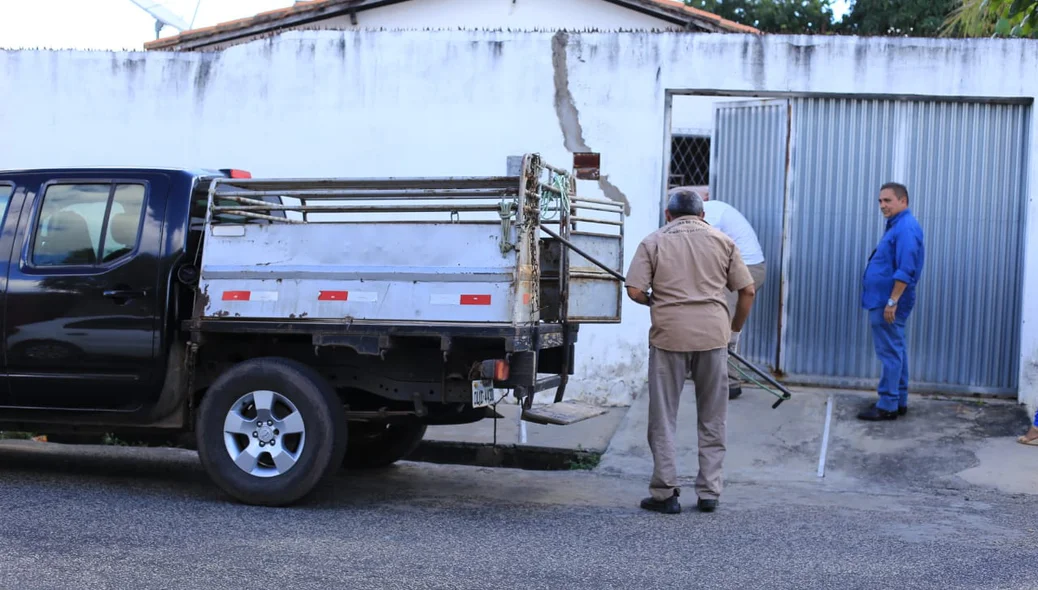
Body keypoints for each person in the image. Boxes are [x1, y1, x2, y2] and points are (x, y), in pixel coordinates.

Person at [625, 187, 756, 514]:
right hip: (713, 336)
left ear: (668, 215)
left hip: (669, 336)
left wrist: (654, 299)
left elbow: (634, 289)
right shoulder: (723, 241)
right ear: (702, 215)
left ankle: (666, 493)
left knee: (663, 417)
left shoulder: (653, 241)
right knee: (713, 416)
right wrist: (733, 332)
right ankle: (709, 492)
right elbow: (748, 290)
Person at [858, 182, 925, 421]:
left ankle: (887, 404)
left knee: (889, 352)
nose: (882, 205)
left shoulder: (906, 228)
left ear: (903, 201)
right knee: (896, 349)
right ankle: (898, 399)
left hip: (889, 300)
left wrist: (892, 300)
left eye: (887, 200)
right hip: (885, 298)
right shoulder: (896, 226)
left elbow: (906, 269)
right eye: (880, 201)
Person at [698, 188, 767, 400]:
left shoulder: (711, 216)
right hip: (743, 267)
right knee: (714, 321)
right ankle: (708, 372)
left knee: (722, 325)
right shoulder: (710, 210)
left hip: (746, 269)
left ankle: (731, 382)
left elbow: (703, 250)